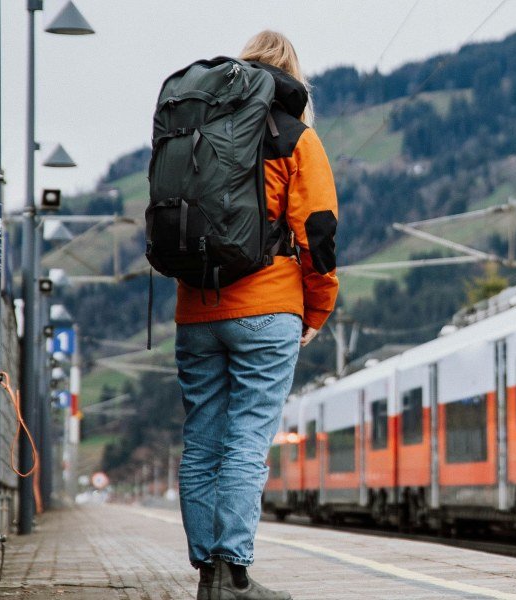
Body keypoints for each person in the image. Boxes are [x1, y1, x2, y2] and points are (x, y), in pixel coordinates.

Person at [174, 30, 338, 600]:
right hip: (267, 309)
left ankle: (208, 577)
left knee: (202, 443)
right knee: (247, 440)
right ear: (293, 75)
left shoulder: (193, 130)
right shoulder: (295, 136)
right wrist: (317, 308)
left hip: (196, 309)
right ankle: (233, 574)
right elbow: (317, 234)